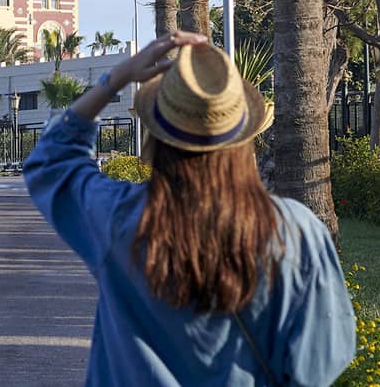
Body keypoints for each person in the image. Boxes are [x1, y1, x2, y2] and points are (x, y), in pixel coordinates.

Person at [25, 32, 355, 386]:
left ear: (159, 137)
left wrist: (117, 78)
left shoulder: (120, 219)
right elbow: (323, 360)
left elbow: (52, 160)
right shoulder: (296, 232)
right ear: (244, 137)